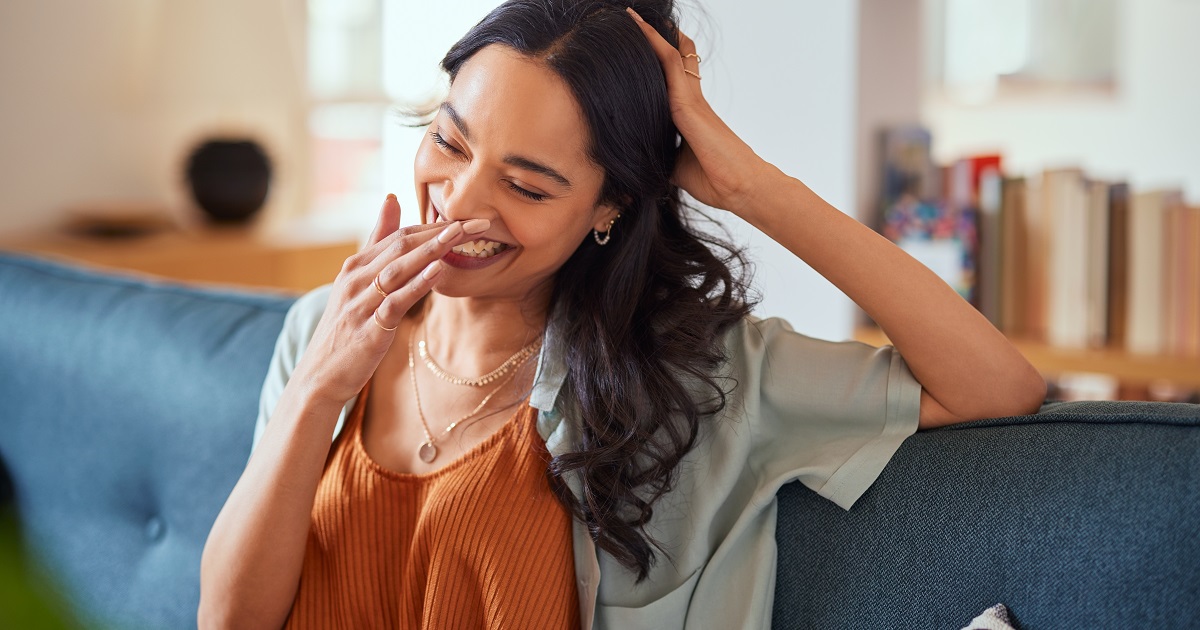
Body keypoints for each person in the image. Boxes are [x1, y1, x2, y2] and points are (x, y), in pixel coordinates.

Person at [198, 1, 1046, 628]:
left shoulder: (691, 377)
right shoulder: (325, 330)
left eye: (527, 186)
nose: (459, 203)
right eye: (450, 141)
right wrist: (316, 390)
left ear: (609, 207)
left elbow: (996, 385)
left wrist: (753, 187)